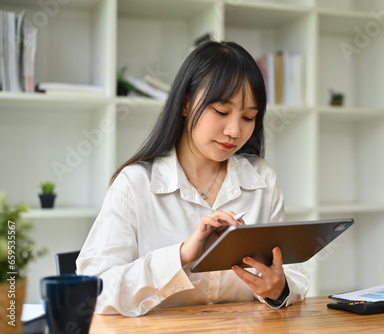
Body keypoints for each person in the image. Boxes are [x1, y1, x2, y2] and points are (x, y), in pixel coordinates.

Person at [76, 40, 309, 317]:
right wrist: (182, 255)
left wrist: (278, 289)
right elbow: (93, 291)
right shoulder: (135, 184)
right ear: (186, 103)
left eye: (248, 117)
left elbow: (293, 275)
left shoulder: (262, 179)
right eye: (221, 112)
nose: (234, 130)